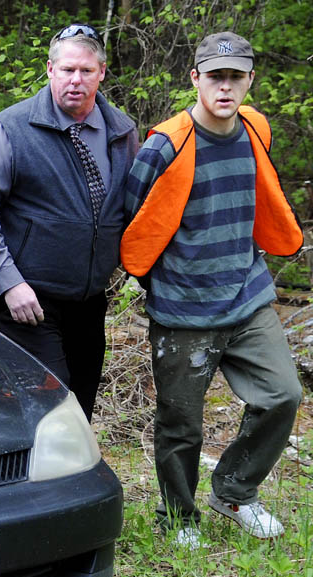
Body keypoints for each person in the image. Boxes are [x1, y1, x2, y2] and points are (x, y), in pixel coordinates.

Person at [121, 31, 303, 547]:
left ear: (249, 81)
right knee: (181, 424)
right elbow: (131, 223)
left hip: (247, 296)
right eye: (215, 76)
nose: (225, 87)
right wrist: (162, 285)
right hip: (184, 311)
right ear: (196, 78)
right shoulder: (165, 145)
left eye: (235, 77)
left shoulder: (254, 129)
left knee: (283, 394)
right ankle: (177, 518)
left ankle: (234, 491)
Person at [0, 23, 138, 421]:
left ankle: (70, 482)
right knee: (50, 407)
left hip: (88, 299)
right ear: (50, 70)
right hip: (26, 299)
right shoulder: (10, 130)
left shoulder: (122, 132)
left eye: (86, 71)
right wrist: (9, 283)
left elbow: (131, 209)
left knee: (81, 402)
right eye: (68, 70)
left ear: (102, 72)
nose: (76, 80)